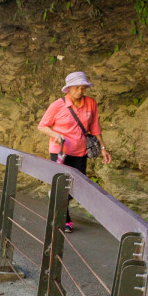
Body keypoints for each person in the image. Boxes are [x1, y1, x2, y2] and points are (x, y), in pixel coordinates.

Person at [37, 71, 112, 232]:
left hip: (80, 150)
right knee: (64, 183)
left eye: (83, 88)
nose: (80, 91)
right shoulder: (57, 105)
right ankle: (65, 219)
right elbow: (42, 126)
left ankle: (55, 197)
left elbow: (95, 128)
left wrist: (103, 148)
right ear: (68, 89)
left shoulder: (91, 103)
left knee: (76, 186)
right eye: (77, 88)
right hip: (61, 151)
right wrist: (55, 134)